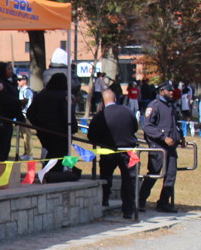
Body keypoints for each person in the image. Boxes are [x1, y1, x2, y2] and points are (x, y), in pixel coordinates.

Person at [88, 89, 139, 219]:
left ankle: (104, 199)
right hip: (128, 151)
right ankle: (128, 210)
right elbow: (135, 127)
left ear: (102, 102)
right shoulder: (127, 111)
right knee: (129, 180)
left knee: (106, 177)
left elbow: (92, 136)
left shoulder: (100, 116)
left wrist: (101, 141)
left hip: (108, 151)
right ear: (115, 99)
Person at [138, 81, 182, 213]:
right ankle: (140, 200)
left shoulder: (171, 106)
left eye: (172, 90)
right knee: (153, 174)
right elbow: (148, 127)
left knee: (170, 175)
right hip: (158, 147)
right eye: (169, 90)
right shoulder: (154, 105)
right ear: (161, 91)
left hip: (171, 147)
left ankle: (163, 202)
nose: (171, 92)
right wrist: (163, 137)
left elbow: (175, 124)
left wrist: (181, 138)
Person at [27, 71, 78, 168]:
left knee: (53, 154)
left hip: (44, 131)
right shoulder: (63, 96)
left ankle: (49, 171)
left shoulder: (41, 95)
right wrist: (73, 128)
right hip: (60, 132)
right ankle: (51, 172)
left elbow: (30, 113)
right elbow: (67, 114)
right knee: (58, 156)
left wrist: (38, 125)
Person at [0, 62, 23, 163]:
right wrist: (18, 102)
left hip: (8, 118)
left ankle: (2, 166)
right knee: (0, 146)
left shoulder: (11, 83)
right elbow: (4, 99)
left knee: (6, 146)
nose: (11, 71)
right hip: (0, 117)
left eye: (11, 69)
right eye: (8, 69)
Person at [16, 74, 35, 158]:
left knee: (27, 135)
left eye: (20, 80)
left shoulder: (27, 91)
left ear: (25, 81)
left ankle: (29, 154)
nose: (18, 82)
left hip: (26, 115)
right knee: (24, 135)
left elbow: (29, 104)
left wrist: (25, 111)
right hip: (22, 115)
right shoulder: (21, 90)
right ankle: (26, 152)